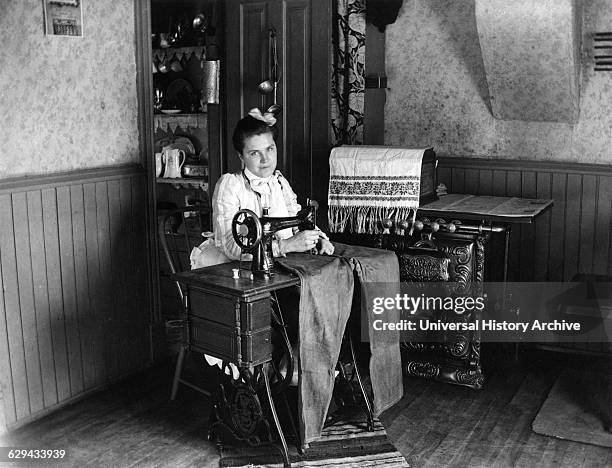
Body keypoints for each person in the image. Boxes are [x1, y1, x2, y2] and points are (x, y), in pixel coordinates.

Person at [211, 108, 334, 260]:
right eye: (255, 153)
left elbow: (296, 221)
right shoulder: (230, 185)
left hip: (278, 264)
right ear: (241, 156)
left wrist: (316, 239)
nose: (265, 159)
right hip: (236, 270)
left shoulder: (279, 182)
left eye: (270, 149)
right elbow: (230, 247)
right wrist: (285, 246)